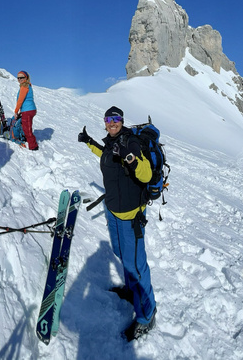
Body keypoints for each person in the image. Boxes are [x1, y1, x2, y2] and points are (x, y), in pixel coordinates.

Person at [78, 106, 157, 341]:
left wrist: (130, 157)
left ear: (122, 121)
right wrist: (88, 141)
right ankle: (131, 291)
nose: (112, 123)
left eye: (116, 119)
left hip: (131, 215)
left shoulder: (130, 142)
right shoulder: (111, 143)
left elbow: (146, 175)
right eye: (108, 119)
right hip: (113, 211)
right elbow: (105, 155)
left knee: (136, 265)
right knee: (122, 254)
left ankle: (147, 315)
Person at [13, 71, 38, 150]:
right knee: (27, 127)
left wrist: (16, 111)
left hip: (28, 110)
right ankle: (29, 140)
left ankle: (33, 146)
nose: (20, 79)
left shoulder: (24, 87)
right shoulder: (27, 86)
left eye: (22, 77)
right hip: (29, 109)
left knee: (27, 129)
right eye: (18, 78)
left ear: (26, 78)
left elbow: (20, 100)